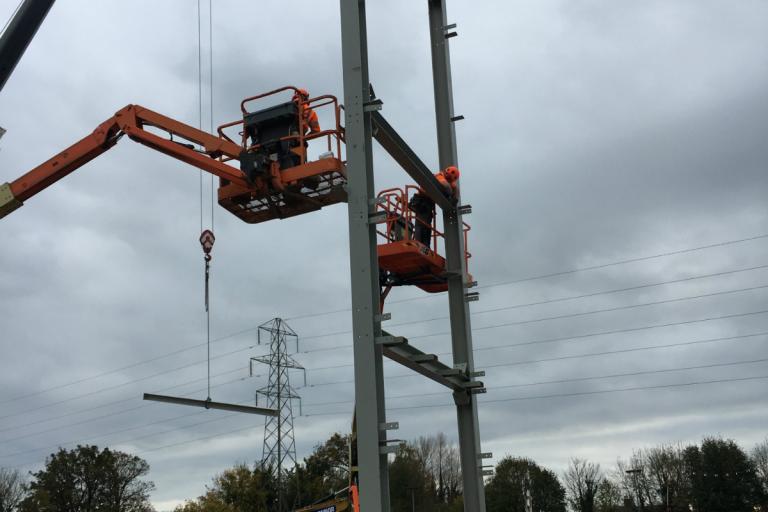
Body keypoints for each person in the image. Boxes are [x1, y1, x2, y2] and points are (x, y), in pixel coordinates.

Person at [409, 166, 460, 247]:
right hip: (421, 201)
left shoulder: (448, 181)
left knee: (427, 225)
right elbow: (446, 186)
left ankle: (425, 245)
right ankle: (419, 244)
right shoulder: (439, 176)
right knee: (421, 224)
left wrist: (455, 200)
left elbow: (455, 189)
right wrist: (450, 196)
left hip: (428, 203)